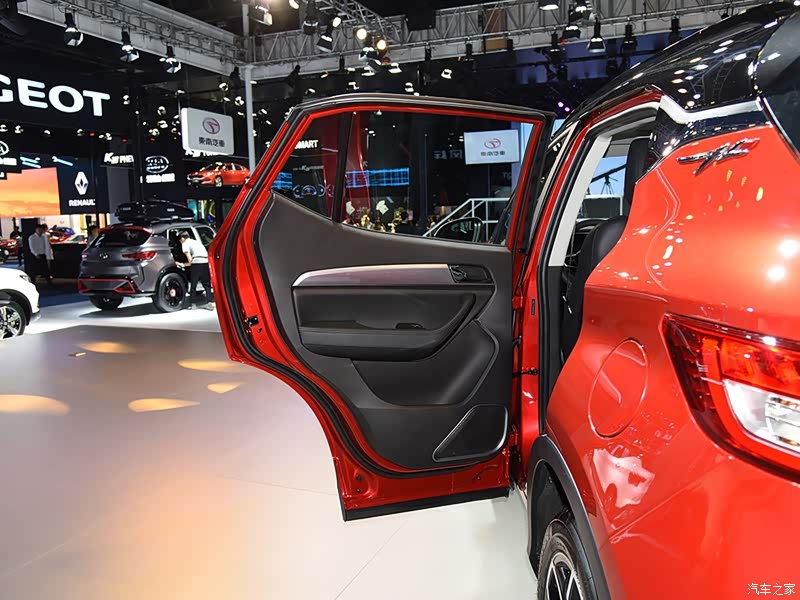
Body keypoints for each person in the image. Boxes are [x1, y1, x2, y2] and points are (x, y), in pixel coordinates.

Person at [176, 230, 214, 310]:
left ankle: (193, 304)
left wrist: (182, 264)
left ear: (182, 238)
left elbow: (190, 261)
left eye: (180, 241)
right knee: (207, 284)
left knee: (193, 285)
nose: (180, 242)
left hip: (197, 263)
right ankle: (209, 303)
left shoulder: (185, 244)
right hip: (205, 262)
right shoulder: (196, 242)